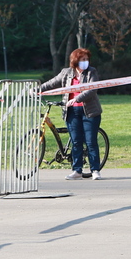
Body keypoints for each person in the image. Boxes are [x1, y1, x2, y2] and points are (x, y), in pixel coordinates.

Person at [40, 48, 103, 180]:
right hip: (72, 112)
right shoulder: (66, 73)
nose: (85, 62)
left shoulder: (92, 72)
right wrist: (36, 90)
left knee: (91, 142)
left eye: (87, 59)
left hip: (90, 112)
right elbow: (52, 83)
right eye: (82, 59)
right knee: (76, 142)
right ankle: (77, 170)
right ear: (75, 61)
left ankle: (95, 170)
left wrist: (77, 99)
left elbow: (92, 89)